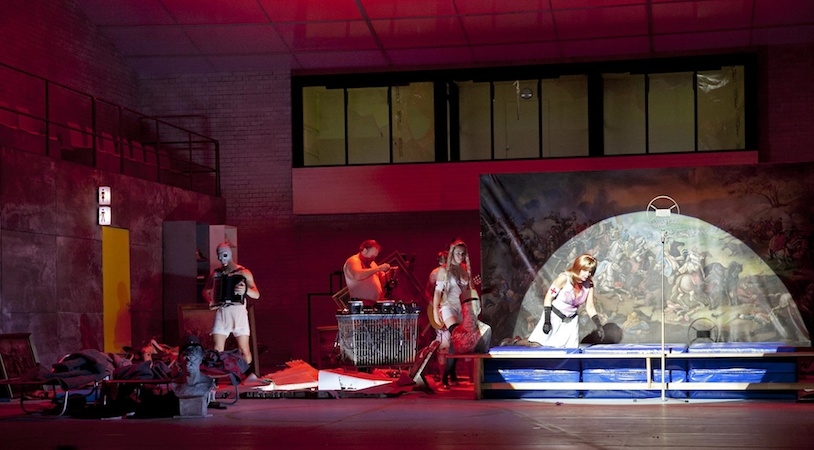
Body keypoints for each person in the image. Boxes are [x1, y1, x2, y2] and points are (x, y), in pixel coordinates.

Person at [202, 241, 260, 366]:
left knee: (244, 350)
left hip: (239, 314)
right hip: (222, 313)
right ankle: (219, 375)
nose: (222, 259)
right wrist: (211, 302)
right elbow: (205, 291)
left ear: (229, 254)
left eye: (224, 255)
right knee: (217, 350)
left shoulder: (243, 272)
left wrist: (246, 290)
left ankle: (244, 373)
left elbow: (256, 294)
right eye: (219, 256)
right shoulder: (216, 273)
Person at [528, 253, 604, 348]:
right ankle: (516, 342)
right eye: (585, 270)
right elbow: (549, 298)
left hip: (570, 321)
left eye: (590, 272)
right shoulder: (564, 278)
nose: (587, 274)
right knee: (538, 344)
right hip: (554, 316)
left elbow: (590, 307)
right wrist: (547, 320)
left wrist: (598, 325)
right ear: (578, 267)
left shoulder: (589, 285)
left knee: (570, 349)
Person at [431, 239, 474, 387]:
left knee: (457, 343)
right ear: (452, 254)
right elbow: (438, 292)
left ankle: (451, 373)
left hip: (462, 308)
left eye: (463, 253)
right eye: (458, 253)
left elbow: (468, 291)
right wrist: (435, 310)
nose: (461, 256)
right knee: (456, 336)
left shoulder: (465, 270)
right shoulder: (444, 270)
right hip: (448, 307)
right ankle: (445, 377)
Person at [343, 239, 395, 307]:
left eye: (375, 257)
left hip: (375, 304)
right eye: (372, 256)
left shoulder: (372, 263)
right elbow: (358, 275)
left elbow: (382, 278)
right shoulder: (354, 260)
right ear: (365, 250)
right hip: (361, 304)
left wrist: (392, 271)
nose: (373, 259)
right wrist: (379, 268)